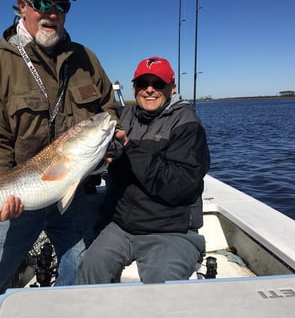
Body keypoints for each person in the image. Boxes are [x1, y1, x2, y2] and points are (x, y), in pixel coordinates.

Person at [0, 0, 117, 317]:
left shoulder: (85, 59)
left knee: (80, 270)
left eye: (61, 5)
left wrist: (109, 138)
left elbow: (110, 110)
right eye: (43, 3)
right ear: (23, 6)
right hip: (19, 195)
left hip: (72, 192)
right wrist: (1, 194)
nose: (52, 13)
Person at [78, 56, 210, 285]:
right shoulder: (122, 117)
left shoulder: (188, 125)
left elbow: (180, 185)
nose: (149, 90)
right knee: (89, 268)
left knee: (162, 284)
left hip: (172, 231)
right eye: (142, 84)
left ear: (172, 88)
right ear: (134, 88)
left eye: (158, 84)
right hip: (121, 228)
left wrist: (129, 148)